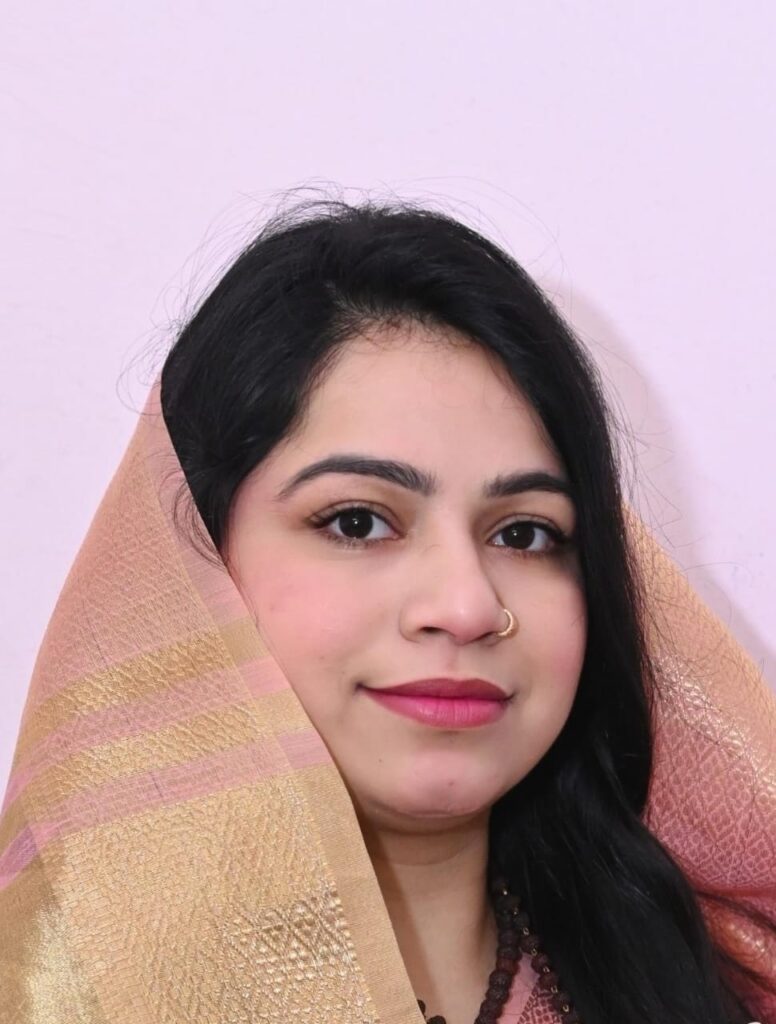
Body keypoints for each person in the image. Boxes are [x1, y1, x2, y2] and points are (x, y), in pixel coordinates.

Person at [0, 196, 773, 1024]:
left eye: (524, 533)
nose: (466, 606)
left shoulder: (715, 986)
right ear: (196, 564)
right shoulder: (52, 995)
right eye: (358, 523)